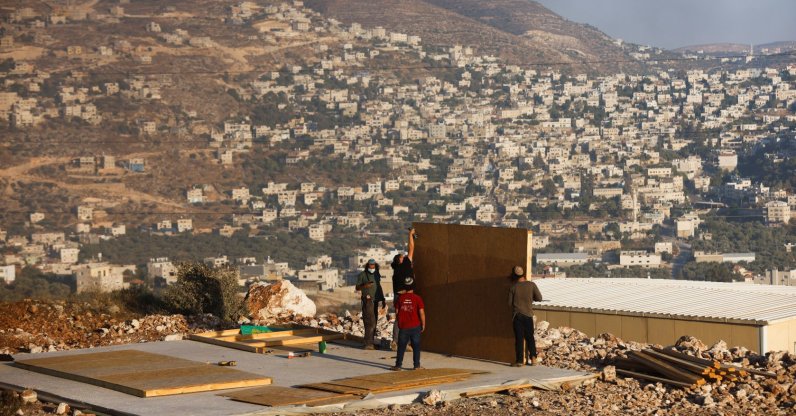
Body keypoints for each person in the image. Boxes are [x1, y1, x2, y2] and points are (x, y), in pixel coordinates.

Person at [508, 266, 543, 367]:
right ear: (524, 274)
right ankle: (533, 359)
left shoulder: (513, 287)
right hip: (528, 315)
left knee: (519, 338)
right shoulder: (531, 285)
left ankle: (519, 361)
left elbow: (509, 303)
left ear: (514, 275)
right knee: (530, 337)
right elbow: (539, 298)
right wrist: (531, 298)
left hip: (517, 316)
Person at [391, 275, 425, 371]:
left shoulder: (400, 299)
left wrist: (400, 322)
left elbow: (397, 312)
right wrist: (423, 324)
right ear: (413, 286)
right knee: (416, 346)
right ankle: (417, 366)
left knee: (401, 347)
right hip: (415, 326)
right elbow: (421, 313)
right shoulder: (417, 298)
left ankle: (398, 366)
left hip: (403, 327)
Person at [390, 228, 416, 349]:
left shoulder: (397, 271)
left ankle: (398, 341)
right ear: (399, 260)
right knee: (405, 318)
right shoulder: (404, 265)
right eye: (402, 256)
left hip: (403, 295)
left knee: (402, 318)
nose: (404, 256)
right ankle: (400, 342)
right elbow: (411, 248)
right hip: (404, 296)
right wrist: (410, 235)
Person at [355, 259, 382, 350]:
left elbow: (379, 287)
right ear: (367, 265)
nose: (372, 267)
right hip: (367, 301)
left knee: (374, 322)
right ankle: (368, 343)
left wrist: (382, 298)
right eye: (370, 265)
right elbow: (357, 287)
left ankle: (371, 342)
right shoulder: (362, 275)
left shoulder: (377, 274)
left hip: (375, 300)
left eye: (373, 265)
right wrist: (364, 286)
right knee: (369, 321)